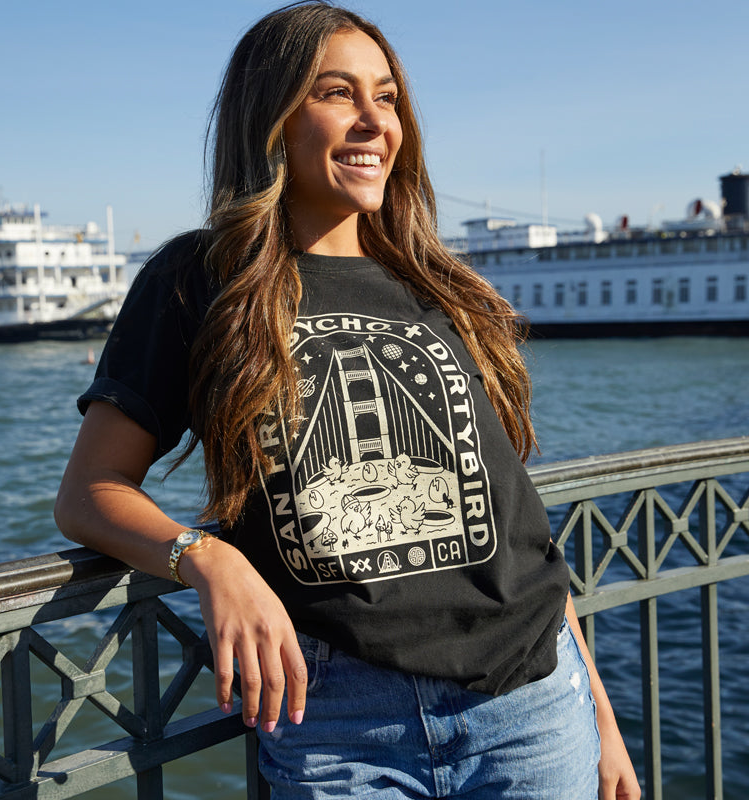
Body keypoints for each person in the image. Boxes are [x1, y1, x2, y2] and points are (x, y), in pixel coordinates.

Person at [55, 3, 641, 798]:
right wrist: (206, 560)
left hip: (531, 709)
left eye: (389, 98)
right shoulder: (200, 281)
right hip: (334, 720)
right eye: (338, 93)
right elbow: (90, 494)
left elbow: (517, 529)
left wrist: (600, 719)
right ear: (271, 119)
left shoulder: (439, 287)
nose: (374, 122)